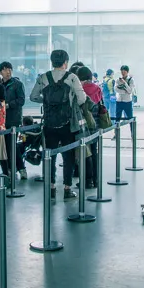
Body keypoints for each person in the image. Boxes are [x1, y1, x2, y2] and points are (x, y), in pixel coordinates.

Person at [30, 49, 87, 200]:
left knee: (49, 156)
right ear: (66, 62)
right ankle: (67, 189)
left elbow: (33, 96)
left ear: (52, 61)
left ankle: (51, 188)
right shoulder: (72, 77)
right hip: (67, 123)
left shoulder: (43, 77)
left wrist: (47, 102)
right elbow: (82, 99)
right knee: (68, 157)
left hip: (49, 123)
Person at [0, 61, 27, 178]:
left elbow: (21, 100)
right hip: (0, 121)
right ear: (1, 72)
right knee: (2, 147)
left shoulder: (17, 84)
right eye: (5, 69)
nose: (8, 71)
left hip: (13, 119)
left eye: (10, 69)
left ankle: (20, 169)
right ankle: (8, 171)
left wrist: (8, 105)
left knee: (11, 146)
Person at [76, 66, 102, 188]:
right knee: (94, 152)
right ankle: (96, 180)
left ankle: (87, 180)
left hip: (84, 125)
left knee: (85, 153)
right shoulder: (97, 88)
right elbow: (102, 105)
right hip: (95, 125)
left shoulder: (80, 90)